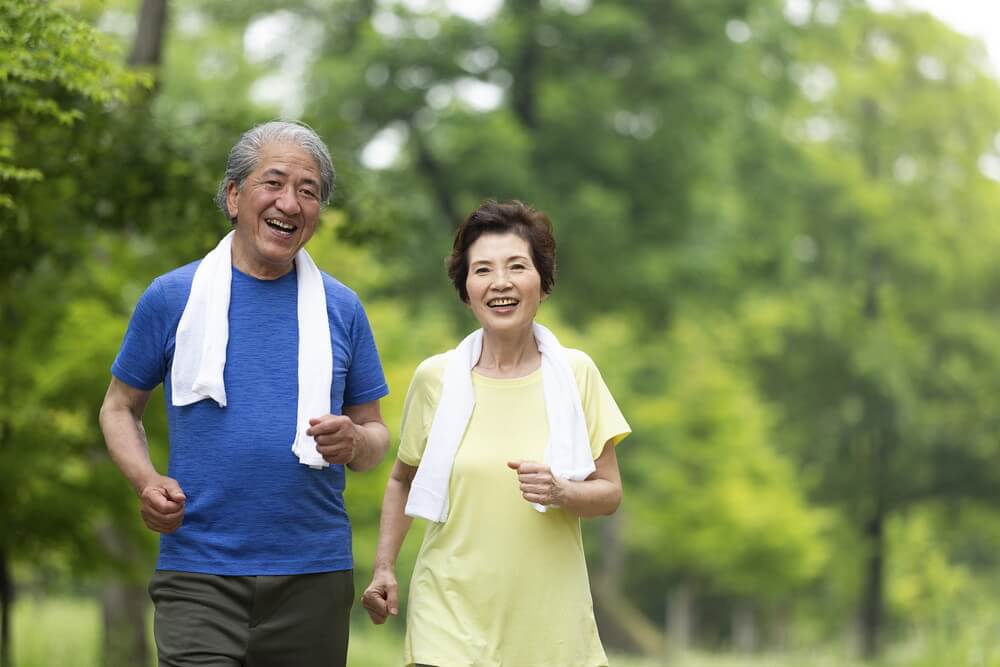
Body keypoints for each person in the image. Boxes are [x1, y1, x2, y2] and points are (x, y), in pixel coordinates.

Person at [99, 120, 390, 667]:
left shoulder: (342, 308)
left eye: (309, 191)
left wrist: (355, 440)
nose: (291, 202)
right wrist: (146, 480)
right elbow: (118, 408)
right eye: (273, 183)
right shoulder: (172, 297)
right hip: (199, 571)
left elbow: (376, 437)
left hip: (313, 575)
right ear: (234, 196)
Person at [361, 200, 630, 666]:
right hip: (448, 617)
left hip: (549, 628)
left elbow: (609, 493)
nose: (500, 282)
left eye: (516, 267)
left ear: (542, 283)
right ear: (466, 290)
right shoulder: (435, 379)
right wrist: (384, 567)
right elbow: (403, 479)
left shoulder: (577, 374)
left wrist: (562, 490)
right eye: (482, 269)